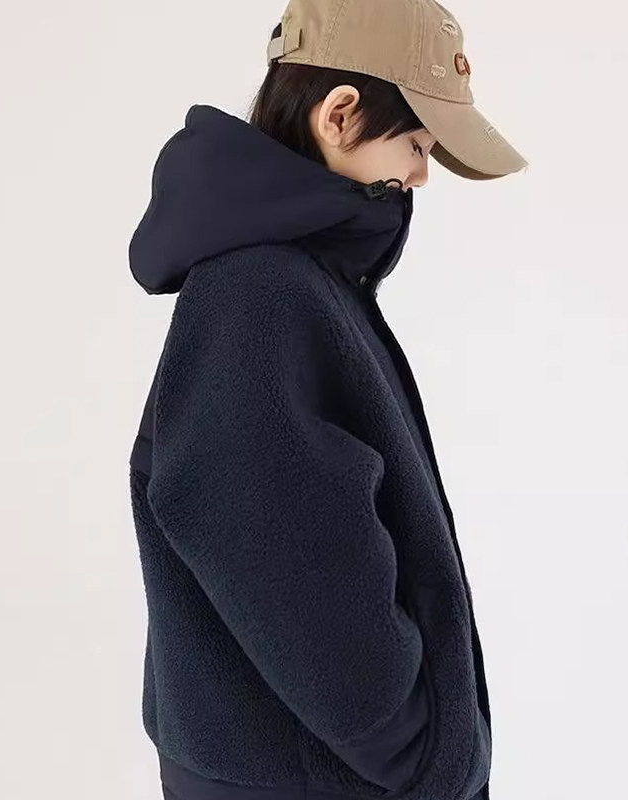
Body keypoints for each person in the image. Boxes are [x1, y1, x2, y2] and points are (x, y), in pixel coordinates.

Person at [127, 2, 527, 799]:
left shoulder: (296, 281)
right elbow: (267, 541)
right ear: (340, 114)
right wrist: (415, 751)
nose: (421, 175)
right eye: (417, 145)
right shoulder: (259, 293)